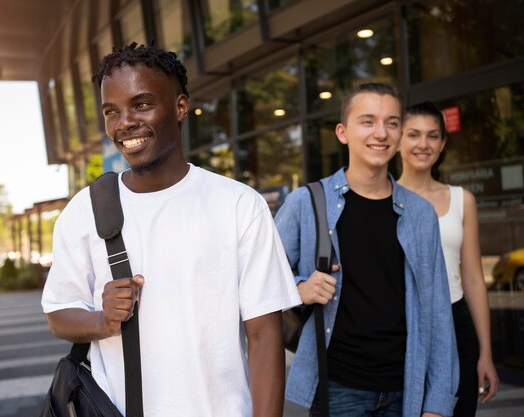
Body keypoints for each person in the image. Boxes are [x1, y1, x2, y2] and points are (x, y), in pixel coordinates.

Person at [41, 42, 301, 417]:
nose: (124, 122)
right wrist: (102, 320)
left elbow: (264, 334)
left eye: (141, 104)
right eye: (111, 111)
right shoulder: (86, 210)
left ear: (181, 107)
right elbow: (57, 313)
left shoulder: (239, 205)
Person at [275, 83, 459, 417]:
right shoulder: (307, 203)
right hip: (336, 387)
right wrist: (299, 289)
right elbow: (259, 278)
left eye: (391, 122)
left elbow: (437, 312)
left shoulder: (420, 214)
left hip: (406, 388)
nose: (381, 133)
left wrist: (437, 402)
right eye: (368, 121)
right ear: (343, 132)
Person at [397, 102, 499, 417]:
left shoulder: (461, 200)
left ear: (442, 144)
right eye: (413, 135)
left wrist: (486, 353)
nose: (423, 144)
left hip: (456, 325)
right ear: (398, 139)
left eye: (433, 136)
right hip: (402, 326)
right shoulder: (385, 199)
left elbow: (472, 279)